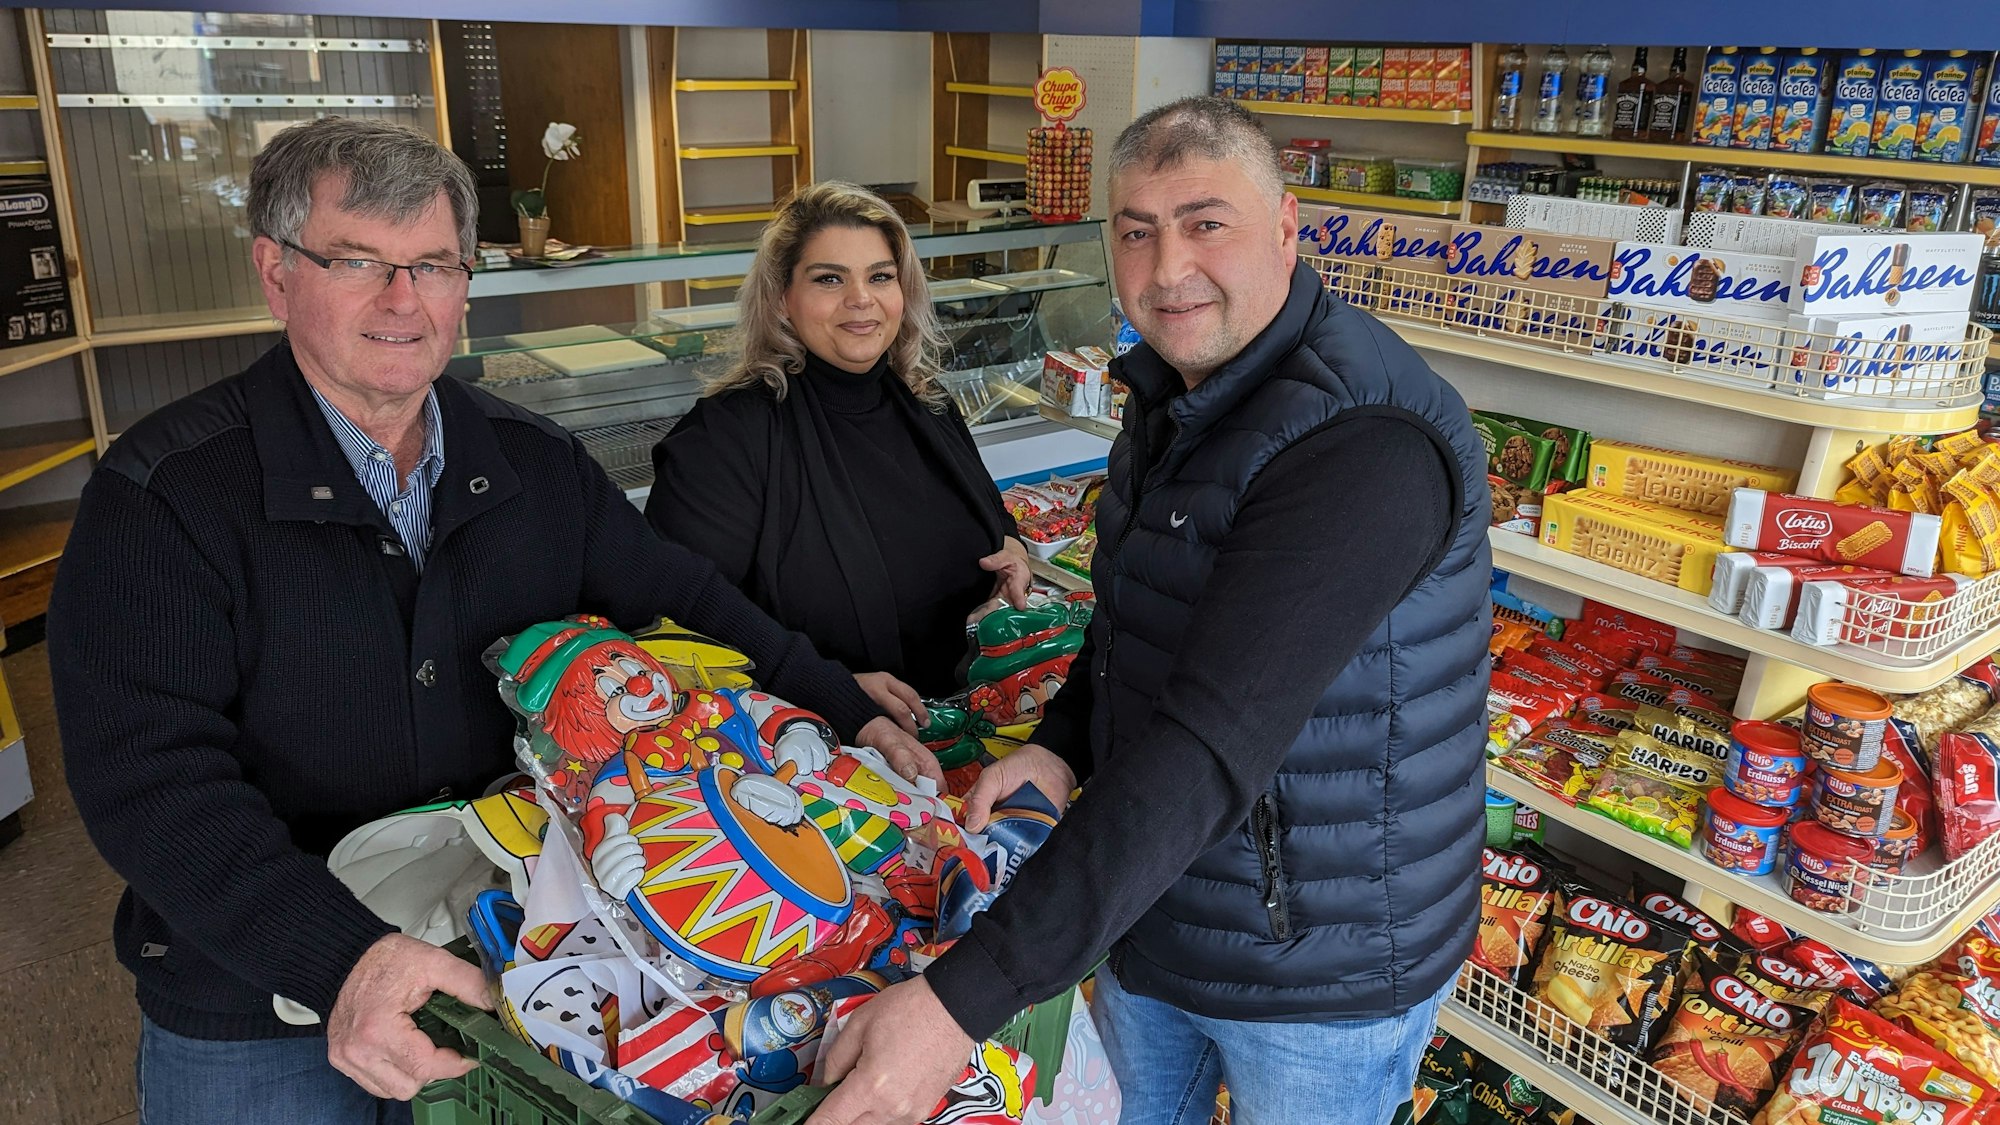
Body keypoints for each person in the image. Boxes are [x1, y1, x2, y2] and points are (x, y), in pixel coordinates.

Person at [44, 118, 938, 1125]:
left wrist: (840, 707)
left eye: (431, 265)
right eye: (358, 262)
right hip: (254, 1002)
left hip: (494, 975)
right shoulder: (164, 496)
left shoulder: (533, 461)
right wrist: (342, 958)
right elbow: (149, 781)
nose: (402, 301)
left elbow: (687, 596)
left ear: (465, 282)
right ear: (275, 271)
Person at [811, 96, 1491, 1125]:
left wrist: (959, 1005)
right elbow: (1136, 618)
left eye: (1204, 222)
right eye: (1135, 231)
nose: (1167, 268)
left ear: (1284, 228)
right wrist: (1060, 745)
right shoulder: (1178, 386)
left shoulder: (1362, 445)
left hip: (1313, 971)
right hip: (1157, 910)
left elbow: (1208, 740)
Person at [647, 181, 1032, 713]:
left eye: (881, 277)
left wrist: (1010, 543)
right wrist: (824, 687)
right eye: (829, 279)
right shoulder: (724, 438)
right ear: (782, 299)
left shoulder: (928, 403)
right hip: (811, 752)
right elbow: (677, 625)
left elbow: (987, 508)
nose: (861, 299)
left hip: (965, 721)